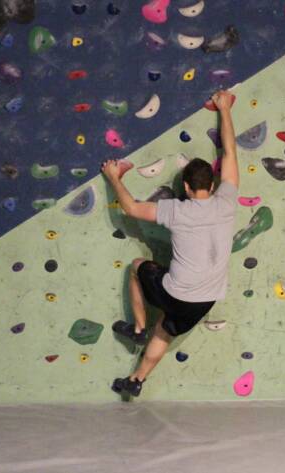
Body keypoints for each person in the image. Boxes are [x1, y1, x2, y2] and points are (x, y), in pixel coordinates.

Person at [101, 90, 238, 397]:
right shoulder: (227, 201)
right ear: (212, 186)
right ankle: (136, 380)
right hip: (205, 300)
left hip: (176, 291)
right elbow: (229, 152)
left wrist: (114, 178)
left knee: (138, 267)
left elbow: (133, 209)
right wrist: (224, 108)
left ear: (186, 187)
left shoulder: (177, 209)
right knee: (165, 329)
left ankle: (136, 328)